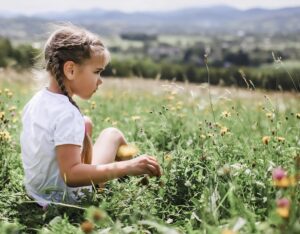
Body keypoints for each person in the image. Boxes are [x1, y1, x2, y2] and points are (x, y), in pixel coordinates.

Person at [20, 24, 162, 207]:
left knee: (86, 123)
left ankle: (121, 174)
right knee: (112, 134)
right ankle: (140, 178)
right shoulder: (67, 114)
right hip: (67, 199)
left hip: (37, 192)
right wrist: (127, 167)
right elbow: (70, 176)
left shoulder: (37, 100)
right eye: (97, 72)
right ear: (70, 70)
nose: (100, 80)